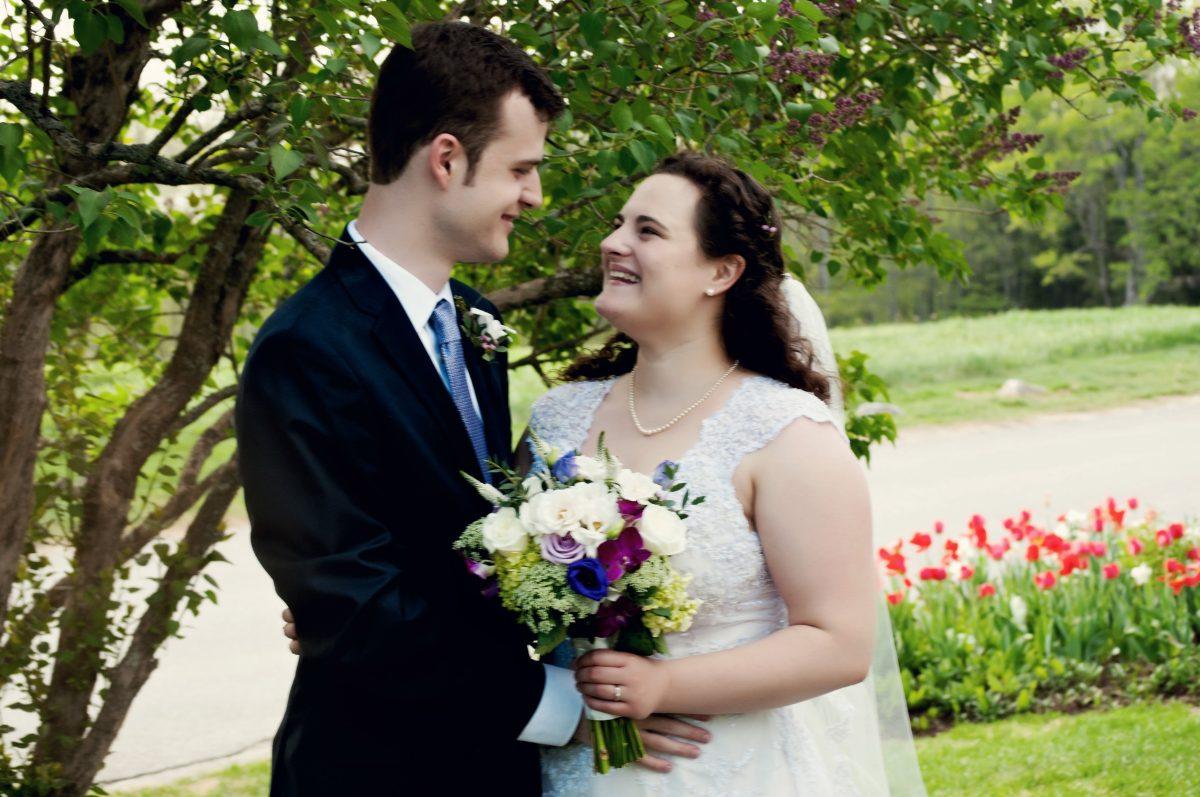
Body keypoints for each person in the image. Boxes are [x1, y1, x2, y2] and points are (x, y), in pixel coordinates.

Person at [239, 22, 709, 795]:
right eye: (522, 168)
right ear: (447, 158)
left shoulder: (476, 324)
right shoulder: (307, 349)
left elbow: (468, 549)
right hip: (376, 768)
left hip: (488, 760)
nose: (535, 195)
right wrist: (563, 707)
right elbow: (354, 611)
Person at [528, 151, 928, 796]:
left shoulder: (785, 434)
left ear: (722, 271)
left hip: (727, 769)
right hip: (573, 767)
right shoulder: (555, 418)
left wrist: (665, 684)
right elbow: (488, 591)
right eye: (618, 223)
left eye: (647, 231)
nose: (612, 243)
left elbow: (840, 643)